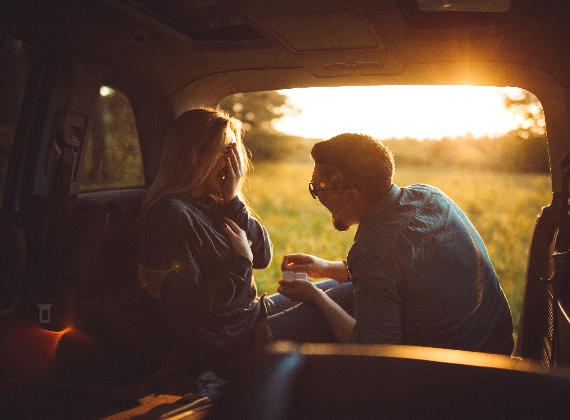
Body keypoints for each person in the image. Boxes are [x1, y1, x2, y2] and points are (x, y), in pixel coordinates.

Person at [278, 133, 514, 355]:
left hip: (456, 372)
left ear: (351, 196)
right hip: (495, 342)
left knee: (321, 310)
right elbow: (400, 273)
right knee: (343, 293)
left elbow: (371, 350)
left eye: (318, 188)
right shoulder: (429, 194)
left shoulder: (374, 249)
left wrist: (317, 298)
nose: (316, 196)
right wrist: (328, 268)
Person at [138, 107, 273, 373]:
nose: (234, 162)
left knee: (336, 293)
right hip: (229, 341)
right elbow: (188, 311)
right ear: (196, 154)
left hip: (249, 317)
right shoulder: (172, 215)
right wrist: (240, 263)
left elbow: (264, 256)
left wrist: (233, 200)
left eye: (235, 150)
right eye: (226, 151)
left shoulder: (214, 202)